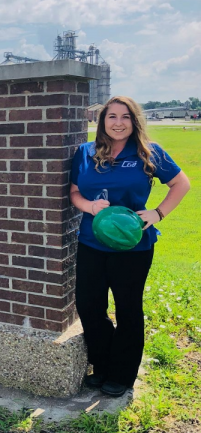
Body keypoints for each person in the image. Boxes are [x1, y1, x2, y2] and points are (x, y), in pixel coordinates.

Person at [70, 96, 190, 397]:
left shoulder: (149, 152)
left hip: (132, 247)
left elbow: (181, 184)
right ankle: (102, 363)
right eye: (112, 116)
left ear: (134, 121)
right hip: (91, 243)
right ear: (103, 121)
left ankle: (122, 375)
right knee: (88, 305)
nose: (118, 122)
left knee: (127, 309)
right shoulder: (85, 152)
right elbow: (74, 192)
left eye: (125, 116)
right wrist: (90, 206)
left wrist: (157, 213)